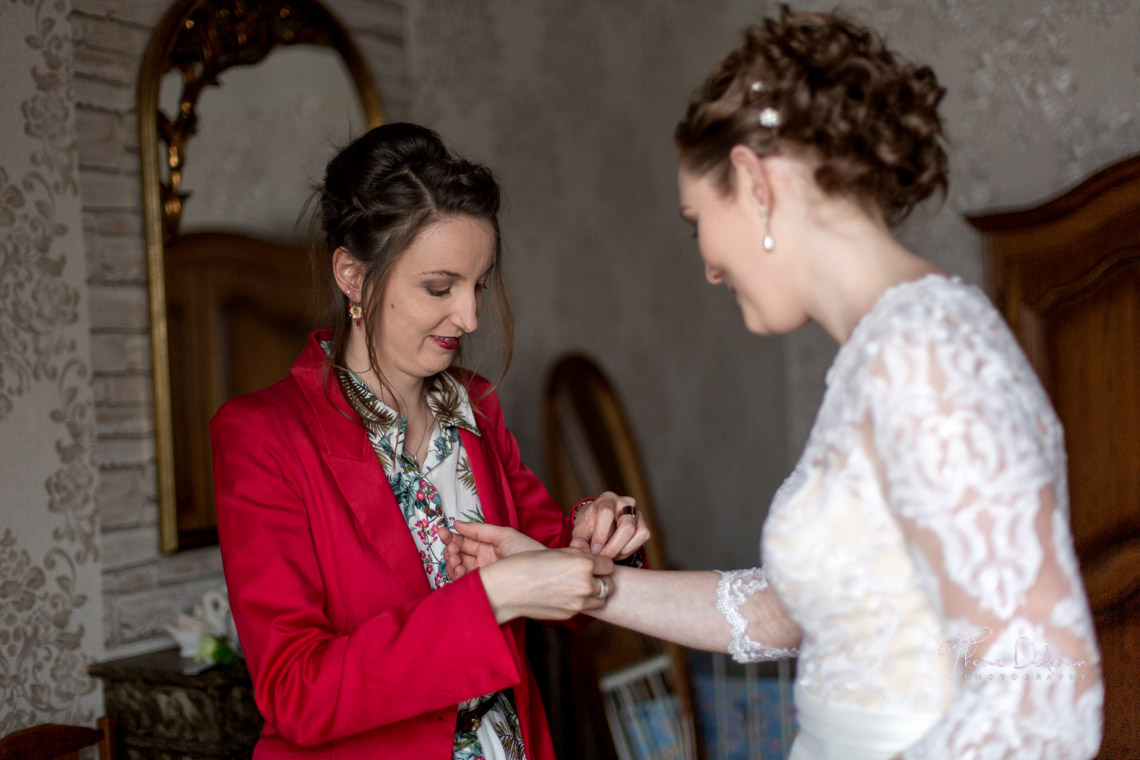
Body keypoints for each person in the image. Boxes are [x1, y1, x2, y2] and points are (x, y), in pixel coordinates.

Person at [443, 7, 1104, 759]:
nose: (710, 267)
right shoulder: (884, 352)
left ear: (756, 183)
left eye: (698, 221)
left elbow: (1047, 701)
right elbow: (789, 614)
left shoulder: (928, 356)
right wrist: (569, 573)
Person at [210, 122, 650, 760]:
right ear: (354, 277)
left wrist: (596, 536)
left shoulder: (474, 407)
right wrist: (493, 598)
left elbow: (557, 576)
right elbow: (296, 694)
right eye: (439, 288)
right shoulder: (263, 436)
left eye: (479, 285)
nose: (469, 318)